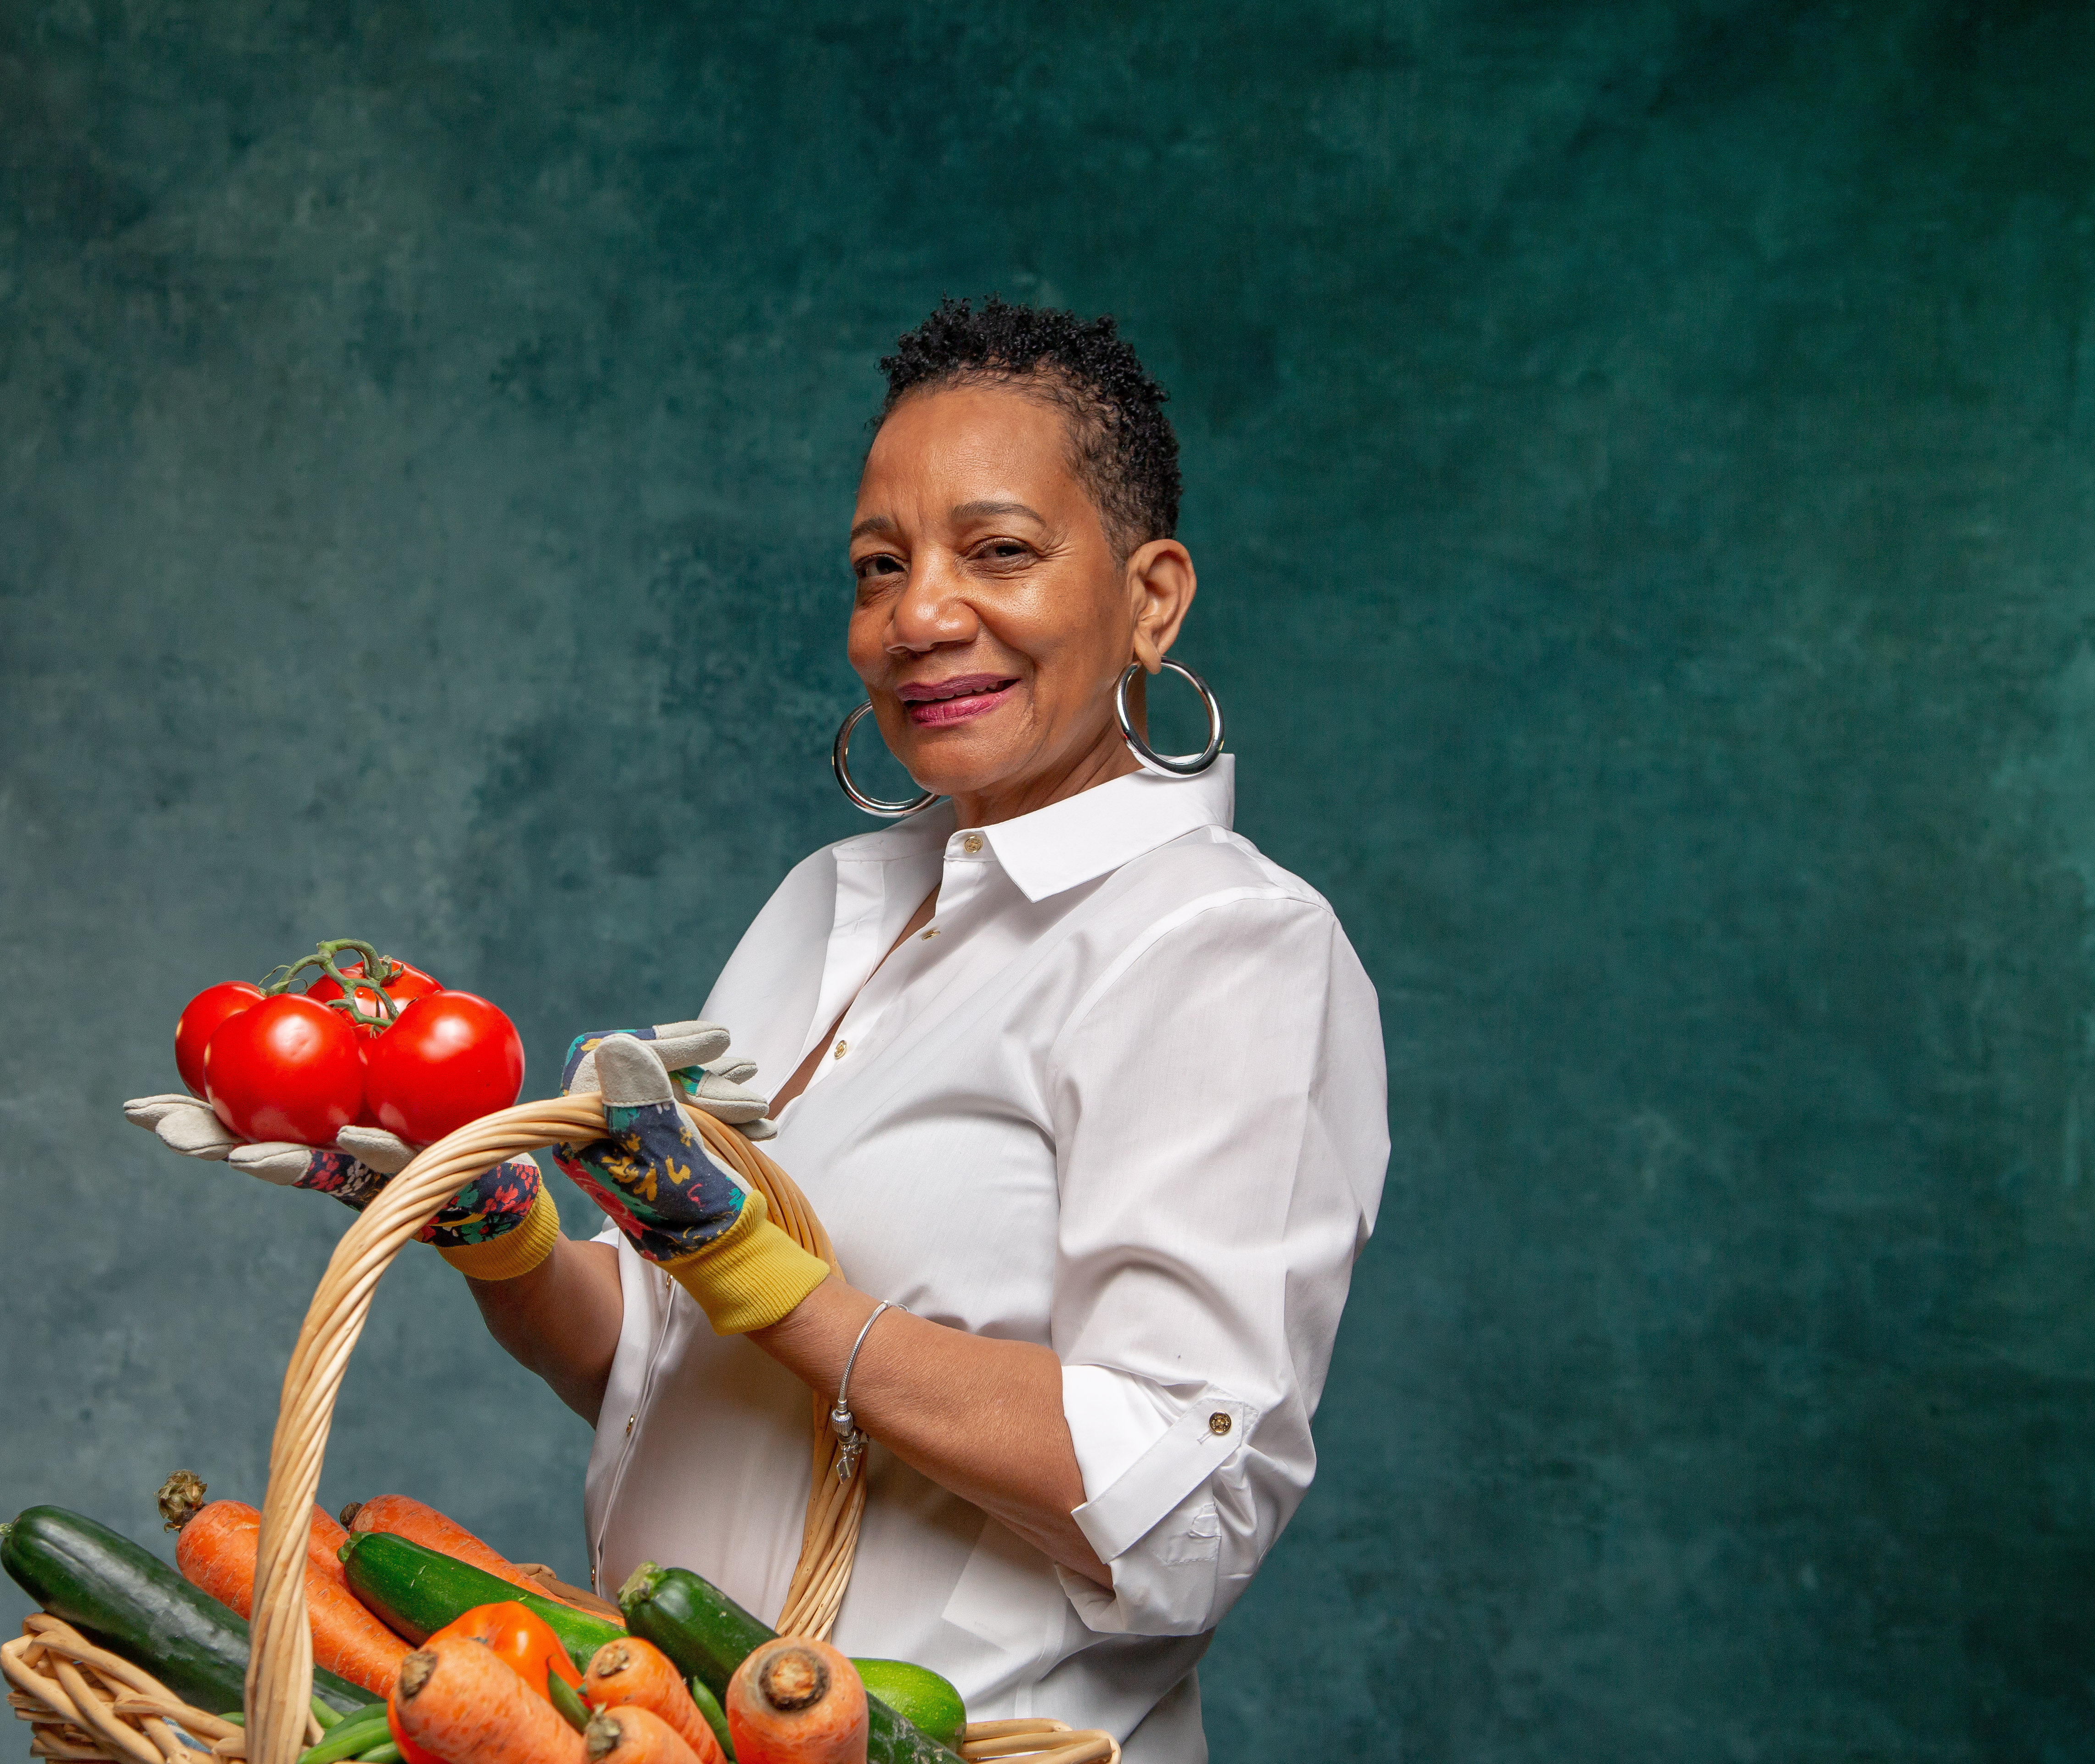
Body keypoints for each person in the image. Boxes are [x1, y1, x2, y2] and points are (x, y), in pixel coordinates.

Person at [131, 297, 1387, 1764]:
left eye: (1000, 551)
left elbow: (1186, 1507)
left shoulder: (1221, 945)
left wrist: (769, 1282)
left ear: (1152, 597)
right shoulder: (825, 907)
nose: (921, 614)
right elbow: (674, 1377)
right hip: (655, 1732)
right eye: (880, 566)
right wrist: (506, 1237)